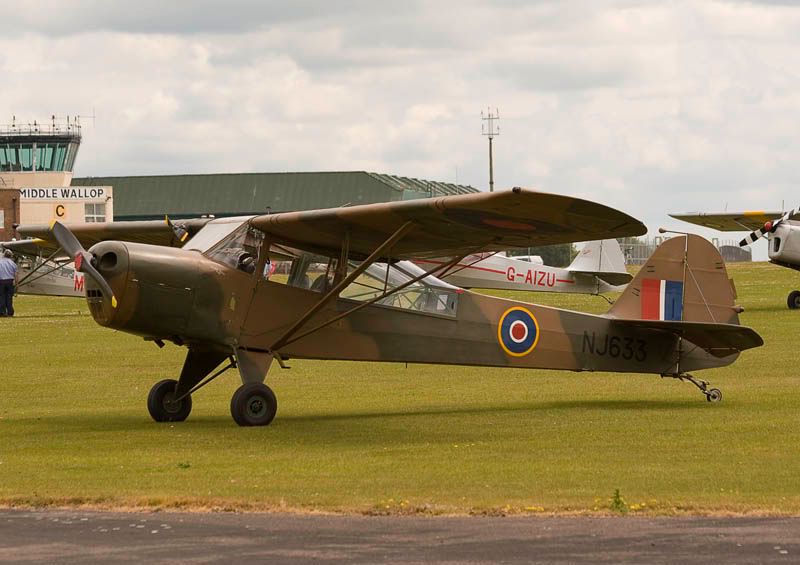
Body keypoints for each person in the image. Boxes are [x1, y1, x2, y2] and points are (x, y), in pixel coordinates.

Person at [0, 249, 17, 317]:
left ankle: (2, 312)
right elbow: (16, 274)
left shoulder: (0, 262)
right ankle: (10, 313)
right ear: (10, 256)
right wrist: (17, 283)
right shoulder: (13, 264)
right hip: (10, 282)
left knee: (2, 297)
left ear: (4, 255)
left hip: (1, 282)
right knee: (9, 298)